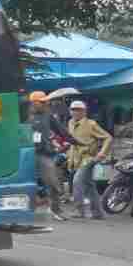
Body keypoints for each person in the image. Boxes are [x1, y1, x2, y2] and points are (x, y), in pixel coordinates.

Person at [66, 98, 112, 220]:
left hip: (88, 158)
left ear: (84, 112)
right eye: (73, 110)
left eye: (78, 110)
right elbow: (72, 142)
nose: (75, 112)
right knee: (89, 185)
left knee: (77, 182)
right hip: (75, 159)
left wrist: (102, 152)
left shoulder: (91, 124)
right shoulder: (70, 123)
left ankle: (79, 210)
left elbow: (108, 137)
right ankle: (98, 212)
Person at [30, 90, 70, 220]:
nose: (45, 104)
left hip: (44, 154)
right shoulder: (24, 116)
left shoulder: (48, 115)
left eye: (45, 101)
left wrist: (75, 141)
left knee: (53, 183)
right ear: (33, 103)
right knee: (25, 183)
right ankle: (25, 210)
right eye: (42, 102)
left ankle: (56, 210)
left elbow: (61, 130)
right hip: (27, 153)